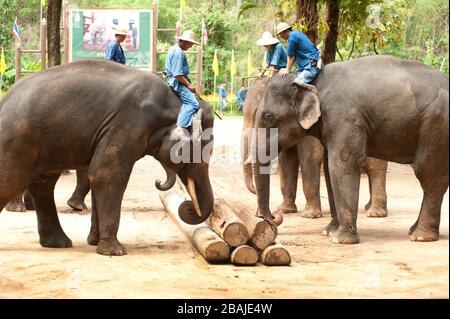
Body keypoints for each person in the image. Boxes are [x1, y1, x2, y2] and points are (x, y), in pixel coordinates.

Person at [165, 30, 201, 140]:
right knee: (193, 103)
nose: (190, 46)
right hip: (176, 83)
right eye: (190, 44)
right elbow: (177, 74)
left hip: (175, 80)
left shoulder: (174, 49)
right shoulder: (178, 53)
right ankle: (180, 128)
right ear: (184, 41)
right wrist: (189, 85)